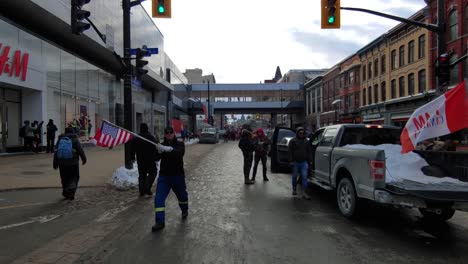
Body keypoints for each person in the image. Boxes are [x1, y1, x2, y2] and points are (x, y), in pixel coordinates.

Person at [152, 127, 188, 232]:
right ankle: (159, 221)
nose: (168, 134)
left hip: (177, 176)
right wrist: (158, 151)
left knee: (182, 196)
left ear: (174, 133)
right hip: (164, 176)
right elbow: (156, 158)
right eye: (166, 133)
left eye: (170, 133)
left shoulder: (180, 144)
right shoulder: (162, 145)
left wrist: (170, 149)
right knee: (158, 198)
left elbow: (180, 153)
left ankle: (184, 210)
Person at [53, 127, 87, 200]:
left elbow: (56, 152)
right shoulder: (75, 139)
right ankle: (71, 191)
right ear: (73, 132)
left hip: (61, 162)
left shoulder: (60, 139)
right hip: (73, 162)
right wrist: (84, 159)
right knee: (75, 177)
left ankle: (65, 192)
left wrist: (55, 163)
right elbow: (80, 150)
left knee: (64, 178)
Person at [131, 123, 161, 198]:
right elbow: (156, 148)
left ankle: (142, 191)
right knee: (153, 173)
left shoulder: (136, 138)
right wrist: (157, 158)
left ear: (140, 129)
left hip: (140, 160)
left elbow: (132, 149)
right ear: (147, 129)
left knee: (142, 175)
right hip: (150, 160)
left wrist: (132, 157)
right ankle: (147, 187)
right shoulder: (151, 137)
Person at [288, 127, 311, 199]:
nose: (301, 134)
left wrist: (310, 161)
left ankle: (304, 192)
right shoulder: (293, 141)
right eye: (300, 133)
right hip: (295, 162)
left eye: (303, 133)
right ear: (297, 133)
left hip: (304, 162)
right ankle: (294, 188)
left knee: (304, 177)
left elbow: (309, 151)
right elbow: (290, 151)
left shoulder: (306, 141)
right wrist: (291, 160)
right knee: (294, 176)